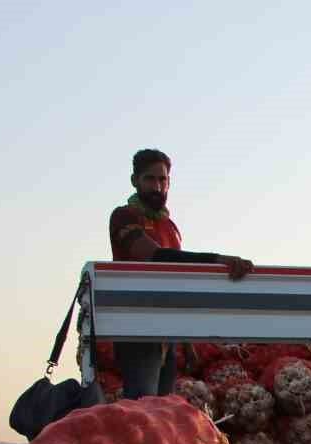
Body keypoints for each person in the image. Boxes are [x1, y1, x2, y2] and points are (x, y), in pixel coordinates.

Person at [107, 148, 254, 399]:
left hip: (168, 331)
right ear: (135, 181)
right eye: (150, 179)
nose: (157, 186)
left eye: (162, 180)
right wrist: (217, 260)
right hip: (139, 328)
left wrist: (185, 339)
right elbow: (157, 257)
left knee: (164, 410)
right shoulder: (124, 216)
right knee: (144, 408)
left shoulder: (170, 226)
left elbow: (179, 280)